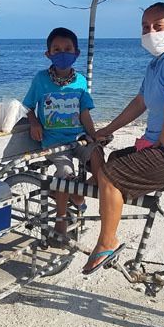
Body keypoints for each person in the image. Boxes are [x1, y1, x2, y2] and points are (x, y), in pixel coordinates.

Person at [82, 2, 164, 274]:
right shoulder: (157, 64)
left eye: (158, 26)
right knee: (116, 158)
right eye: (145, 27)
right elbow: (140, 102)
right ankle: (105, 195)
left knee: (111, 172)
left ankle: (107, 242)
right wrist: (109, 129)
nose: (150, 32)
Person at [23, 27, 103, 237]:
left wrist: (93, 135)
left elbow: (84, 112)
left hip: (79, 139)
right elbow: (28, 107)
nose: (62, 53)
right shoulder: (41, 79)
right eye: (56, 49)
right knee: (66, 175)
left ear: (76, 53)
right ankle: (60, 219)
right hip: (54, 142)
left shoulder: (81, 81)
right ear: (48, 54)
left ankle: (77, 196)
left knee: (100, 162)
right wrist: (34, 123)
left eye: (67, 49)